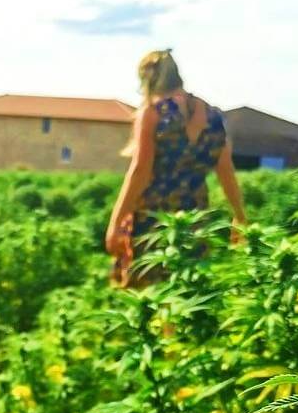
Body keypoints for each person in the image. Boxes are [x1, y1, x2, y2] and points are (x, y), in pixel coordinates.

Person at [105, 49, 247, 287]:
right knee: (185, 288)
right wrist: (239, 216)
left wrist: (116, 223)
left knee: (149, 293)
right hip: (195, 215)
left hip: (153, 215)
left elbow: (140, 170)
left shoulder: (152, 113)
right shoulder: (213, 115)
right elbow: (226, 170)